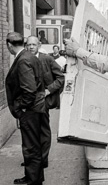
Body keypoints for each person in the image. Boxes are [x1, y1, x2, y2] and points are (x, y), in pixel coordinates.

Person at [5, 32, 46, 185]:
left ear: (9, 45)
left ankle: (33, 180)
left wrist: (21, 108)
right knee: (33, 145)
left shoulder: (23, 60)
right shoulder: (29, 57)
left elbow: (29, 89)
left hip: (30, 110)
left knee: (30, 146)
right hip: (34, 108)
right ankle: (34, 177)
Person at [26, 36, 65, 169]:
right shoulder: (24, 59)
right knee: (31, 132)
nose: (31, 47)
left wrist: (48, 90)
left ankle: (43, 159)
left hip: (43, 102)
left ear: (39, 45)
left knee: (43, 131)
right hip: (29, 102)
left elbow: (60, 78)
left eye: (33, 44)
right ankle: (34, 159)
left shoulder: (47, 59)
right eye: (28, 44)